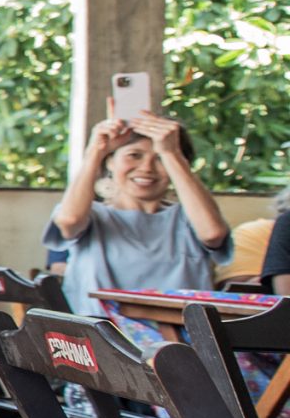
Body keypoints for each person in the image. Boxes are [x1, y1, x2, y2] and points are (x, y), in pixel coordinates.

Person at [50, 113, 234, 310]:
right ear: (110, 161)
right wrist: (96, 150)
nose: (147, 168)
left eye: (160, 159)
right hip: (100, 328)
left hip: (181, 329)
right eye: (134, 155)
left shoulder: (190, 218)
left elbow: (213, 234)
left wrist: (171, 152)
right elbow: (70, 221)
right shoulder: (91, 215)